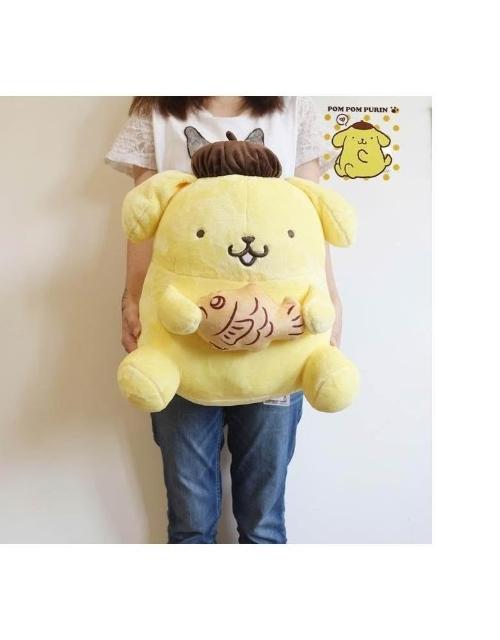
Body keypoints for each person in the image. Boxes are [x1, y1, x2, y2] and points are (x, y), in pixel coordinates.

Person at [106, 96, 342, 543]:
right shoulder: (156, 112)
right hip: (181, 339)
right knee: (190, 519)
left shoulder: (294, 106)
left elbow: (310, 217)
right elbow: (142, 222)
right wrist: (131, 299)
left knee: (263, 521)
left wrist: (331, 297)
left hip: (282, 337)